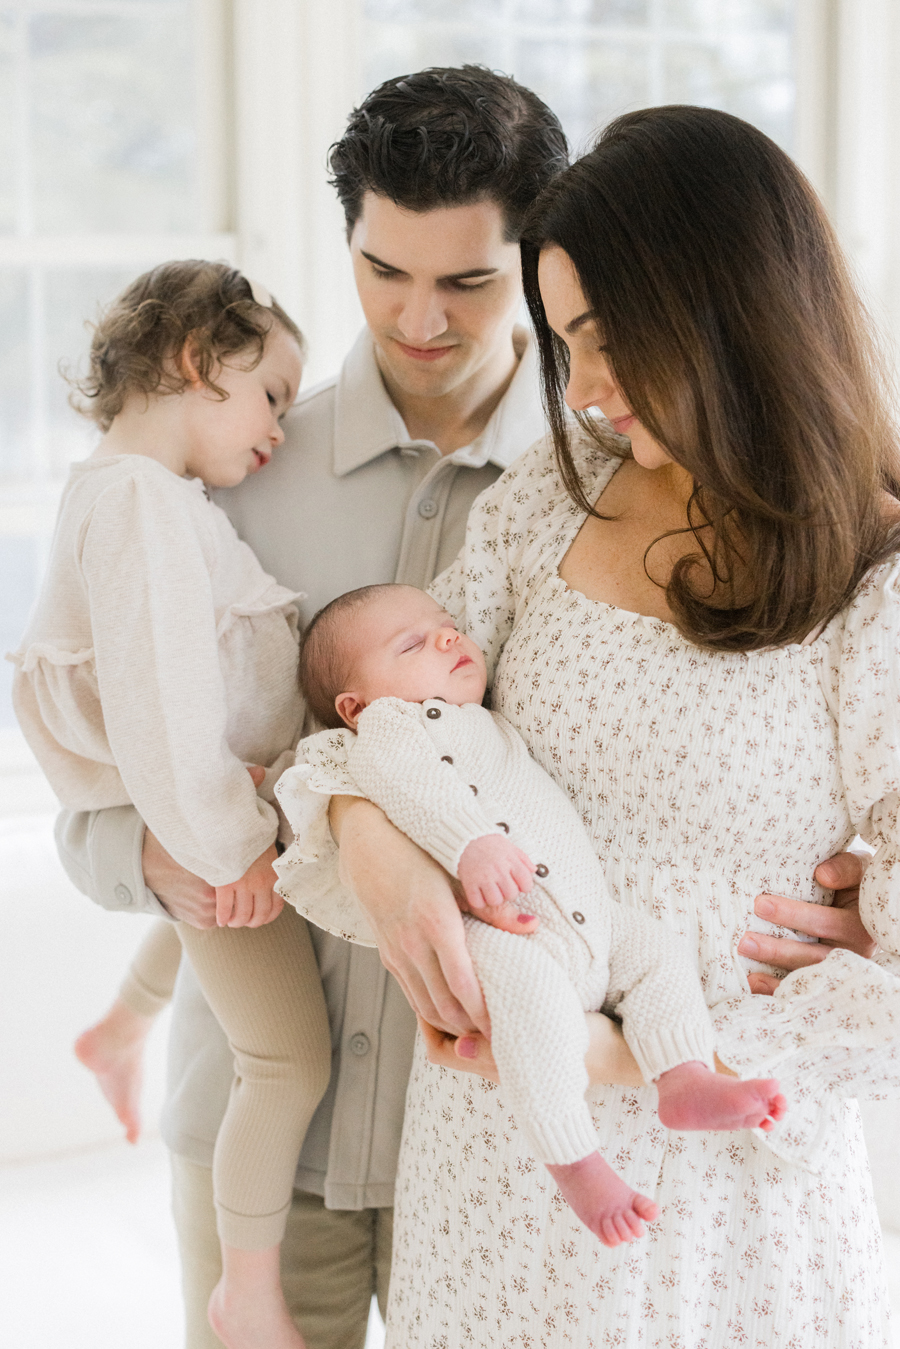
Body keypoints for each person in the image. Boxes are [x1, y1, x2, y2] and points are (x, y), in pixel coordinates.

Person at [323, 106, 900, 1346]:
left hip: (727, 1201)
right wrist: (369, 837)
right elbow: (376, 719)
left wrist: (615, 1058)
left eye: (610, 338)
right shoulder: (551, 500)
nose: (580, 392)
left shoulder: (876, 579)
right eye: (562, 343)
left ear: (731, 307)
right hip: (494, 1157)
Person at [53, 66, 567, 1349]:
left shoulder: (589, 497)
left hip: (500, 1151)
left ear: (546, 260)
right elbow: (102, 771)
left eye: (468, 279)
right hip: (259, 1158)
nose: (420, 318)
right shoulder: (223, 467)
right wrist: (150, 853)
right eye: (383, 268)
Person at [10, 261, 332, 1349]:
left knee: (209, 929)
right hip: (215, 820)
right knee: (290, 1059)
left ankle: (119, 1026)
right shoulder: (143, 500)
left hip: (217, 802)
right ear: (199, 362)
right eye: (272, 395)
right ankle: (248, 1294)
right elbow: (163, 703)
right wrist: (236, 845)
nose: (279, 428)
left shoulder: (131, 491)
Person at [277, 581, 789, 1244]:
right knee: (536, 1010)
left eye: (447, 625)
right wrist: (470, 845)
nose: (446, 637)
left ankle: (683, 1073)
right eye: (412, 643)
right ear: (354, 704)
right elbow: (414, 787)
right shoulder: (388, 728)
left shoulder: (485, 721)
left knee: (657, 952)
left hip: (590, 916)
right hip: (498, 930)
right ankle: (576, 1160)